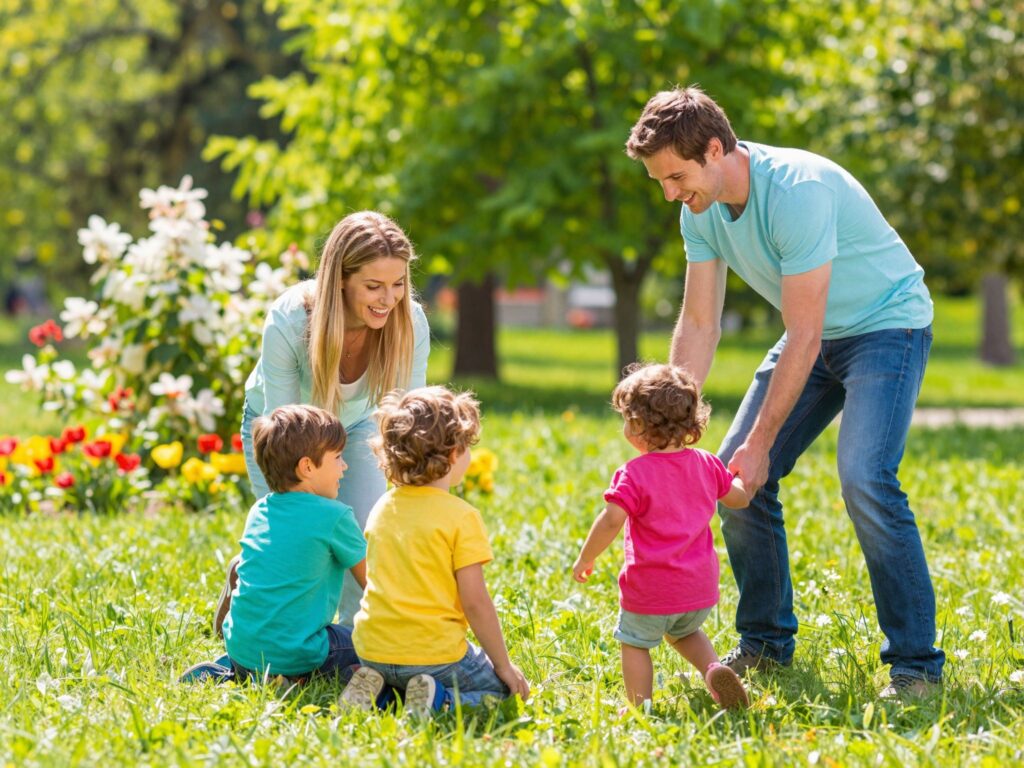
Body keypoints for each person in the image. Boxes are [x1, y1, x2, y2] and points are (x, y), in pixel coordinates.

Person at [625, 86, 944, 699]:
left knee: (865, 479)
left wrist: (763, 441)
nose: (670, 192)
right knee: (729, 480)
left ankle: (915, 666)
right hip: (813, 335)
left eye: (676, 176)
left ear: (715, 149)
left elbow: (804, 333)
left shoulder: (796, 191)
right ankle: (767, 645)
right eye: (660, 180)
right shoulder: (700, 208)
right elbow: (699, 324)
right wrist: (667, 423)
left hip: (886, 326)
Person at [217, 211, 430, 633]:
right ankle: (248, 587)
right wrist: (318, 515)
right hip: (280, 431)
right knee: (301, 537)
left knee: (361, 531)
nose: (388, 299)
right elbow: (284, 428)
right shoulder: (291, 320)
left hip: (357, 426)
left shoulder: (410, 322)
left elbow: (405, 418)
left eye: (398, 284)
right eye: (373, 286)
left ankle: (355, 639)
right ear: (341, 281)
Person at [339, 386, 530, 716]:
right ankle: (441, 702)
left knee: (407, 677)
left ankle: (379, 693)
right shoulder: (461, 516)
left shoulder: (382, 507)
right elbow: (475, 602)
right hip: (435, 656)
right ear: (455, 453)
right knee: (501, 692)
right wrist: (504, 664)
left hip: (372, 649)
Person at [572, 364, 750, 712]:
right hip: (698, 588)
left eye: (627, 419)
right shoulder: (707, 464)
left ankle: (641, 709)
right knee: (683, 632)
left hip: (651, 588)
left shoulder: (633, 474)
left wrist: (586, 556)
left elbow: (611, 521)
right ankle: (714, 669)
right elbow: (738, 499)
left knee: (636, 643)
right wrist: (742, 479)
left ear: (639, 426)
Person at [186, 405, 367, 684]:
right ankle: (311, 676)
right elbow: (372, 583)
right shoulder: (336, 516)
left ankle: (233, 672)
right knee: (360, 641)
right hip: (299, 653)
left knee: (267, 644)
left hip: (240, 647)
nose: (345, 466)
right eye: (338, 457)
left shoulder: (259, 510)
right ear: (307, 466)